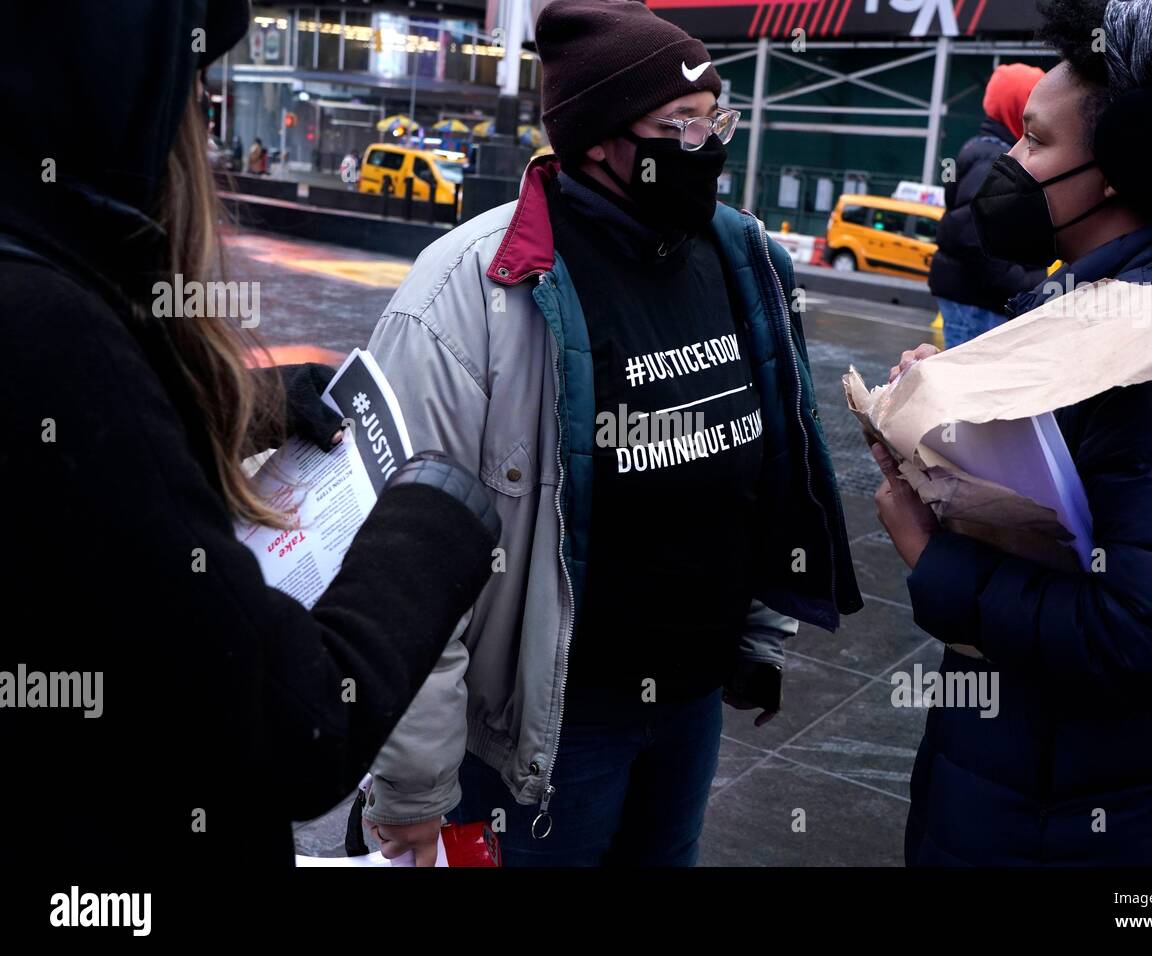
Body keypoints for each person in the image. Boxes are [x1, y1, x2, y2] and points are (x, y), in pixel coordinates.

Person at [359, 0, 862, 867]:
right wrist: (412, 783)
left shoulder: (741, 256)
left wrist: (755, 637)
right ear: (597, 139)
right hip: (550, 734)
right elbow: (402, 560)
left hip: (690, 708)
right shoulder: (467, 293)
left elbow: (766, 464)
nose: (711, 146)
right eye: (682, 126)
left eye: (718, 120)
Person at [0, 0, 500, 868]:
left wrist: (251, 405)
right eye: (191, 90)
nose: (201, 134)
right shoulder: (51, 333)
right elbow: (293, 721)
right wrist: (430, 522)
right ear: (112, 83)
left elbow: (91, 496)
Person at [874, 0, 1152, 865]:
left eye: (1035, 141)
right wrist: (953, 420)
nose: (1009, 162)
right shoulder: (1110, 305)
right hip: (1051, 786)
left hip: (1116, 825)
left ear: (1118, 170)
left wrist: (931, 555)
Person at [929, 63, 1047, 347]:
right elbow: (972, 234)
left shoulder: (982, 148)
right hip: (979, 299)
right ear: (1021, 107)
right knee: (970, 384)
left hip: (972, 294)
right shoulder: (994, 158)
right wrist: (1019, 283)